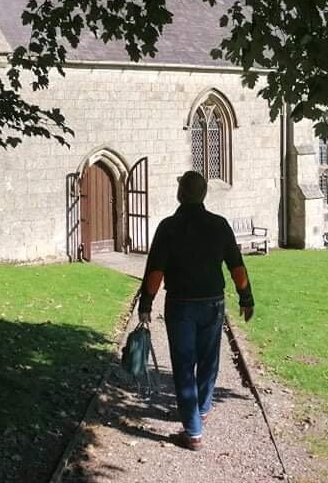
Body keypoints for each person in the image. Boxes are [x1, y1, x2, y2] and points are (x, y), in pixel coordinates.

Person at [137, 170, 255, 451]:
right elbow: (237, 266)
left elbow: (155, 271)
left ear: (180, 195)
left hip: (180, 305)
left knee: (183, 363)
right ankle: (200, 409)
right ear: (203, 194)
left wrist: (146, 304)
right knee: (208, 359)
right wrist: (246, 298)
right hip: (213, 302)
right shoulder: (219, 225)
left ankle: (192, 430)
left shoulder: (168, 227)